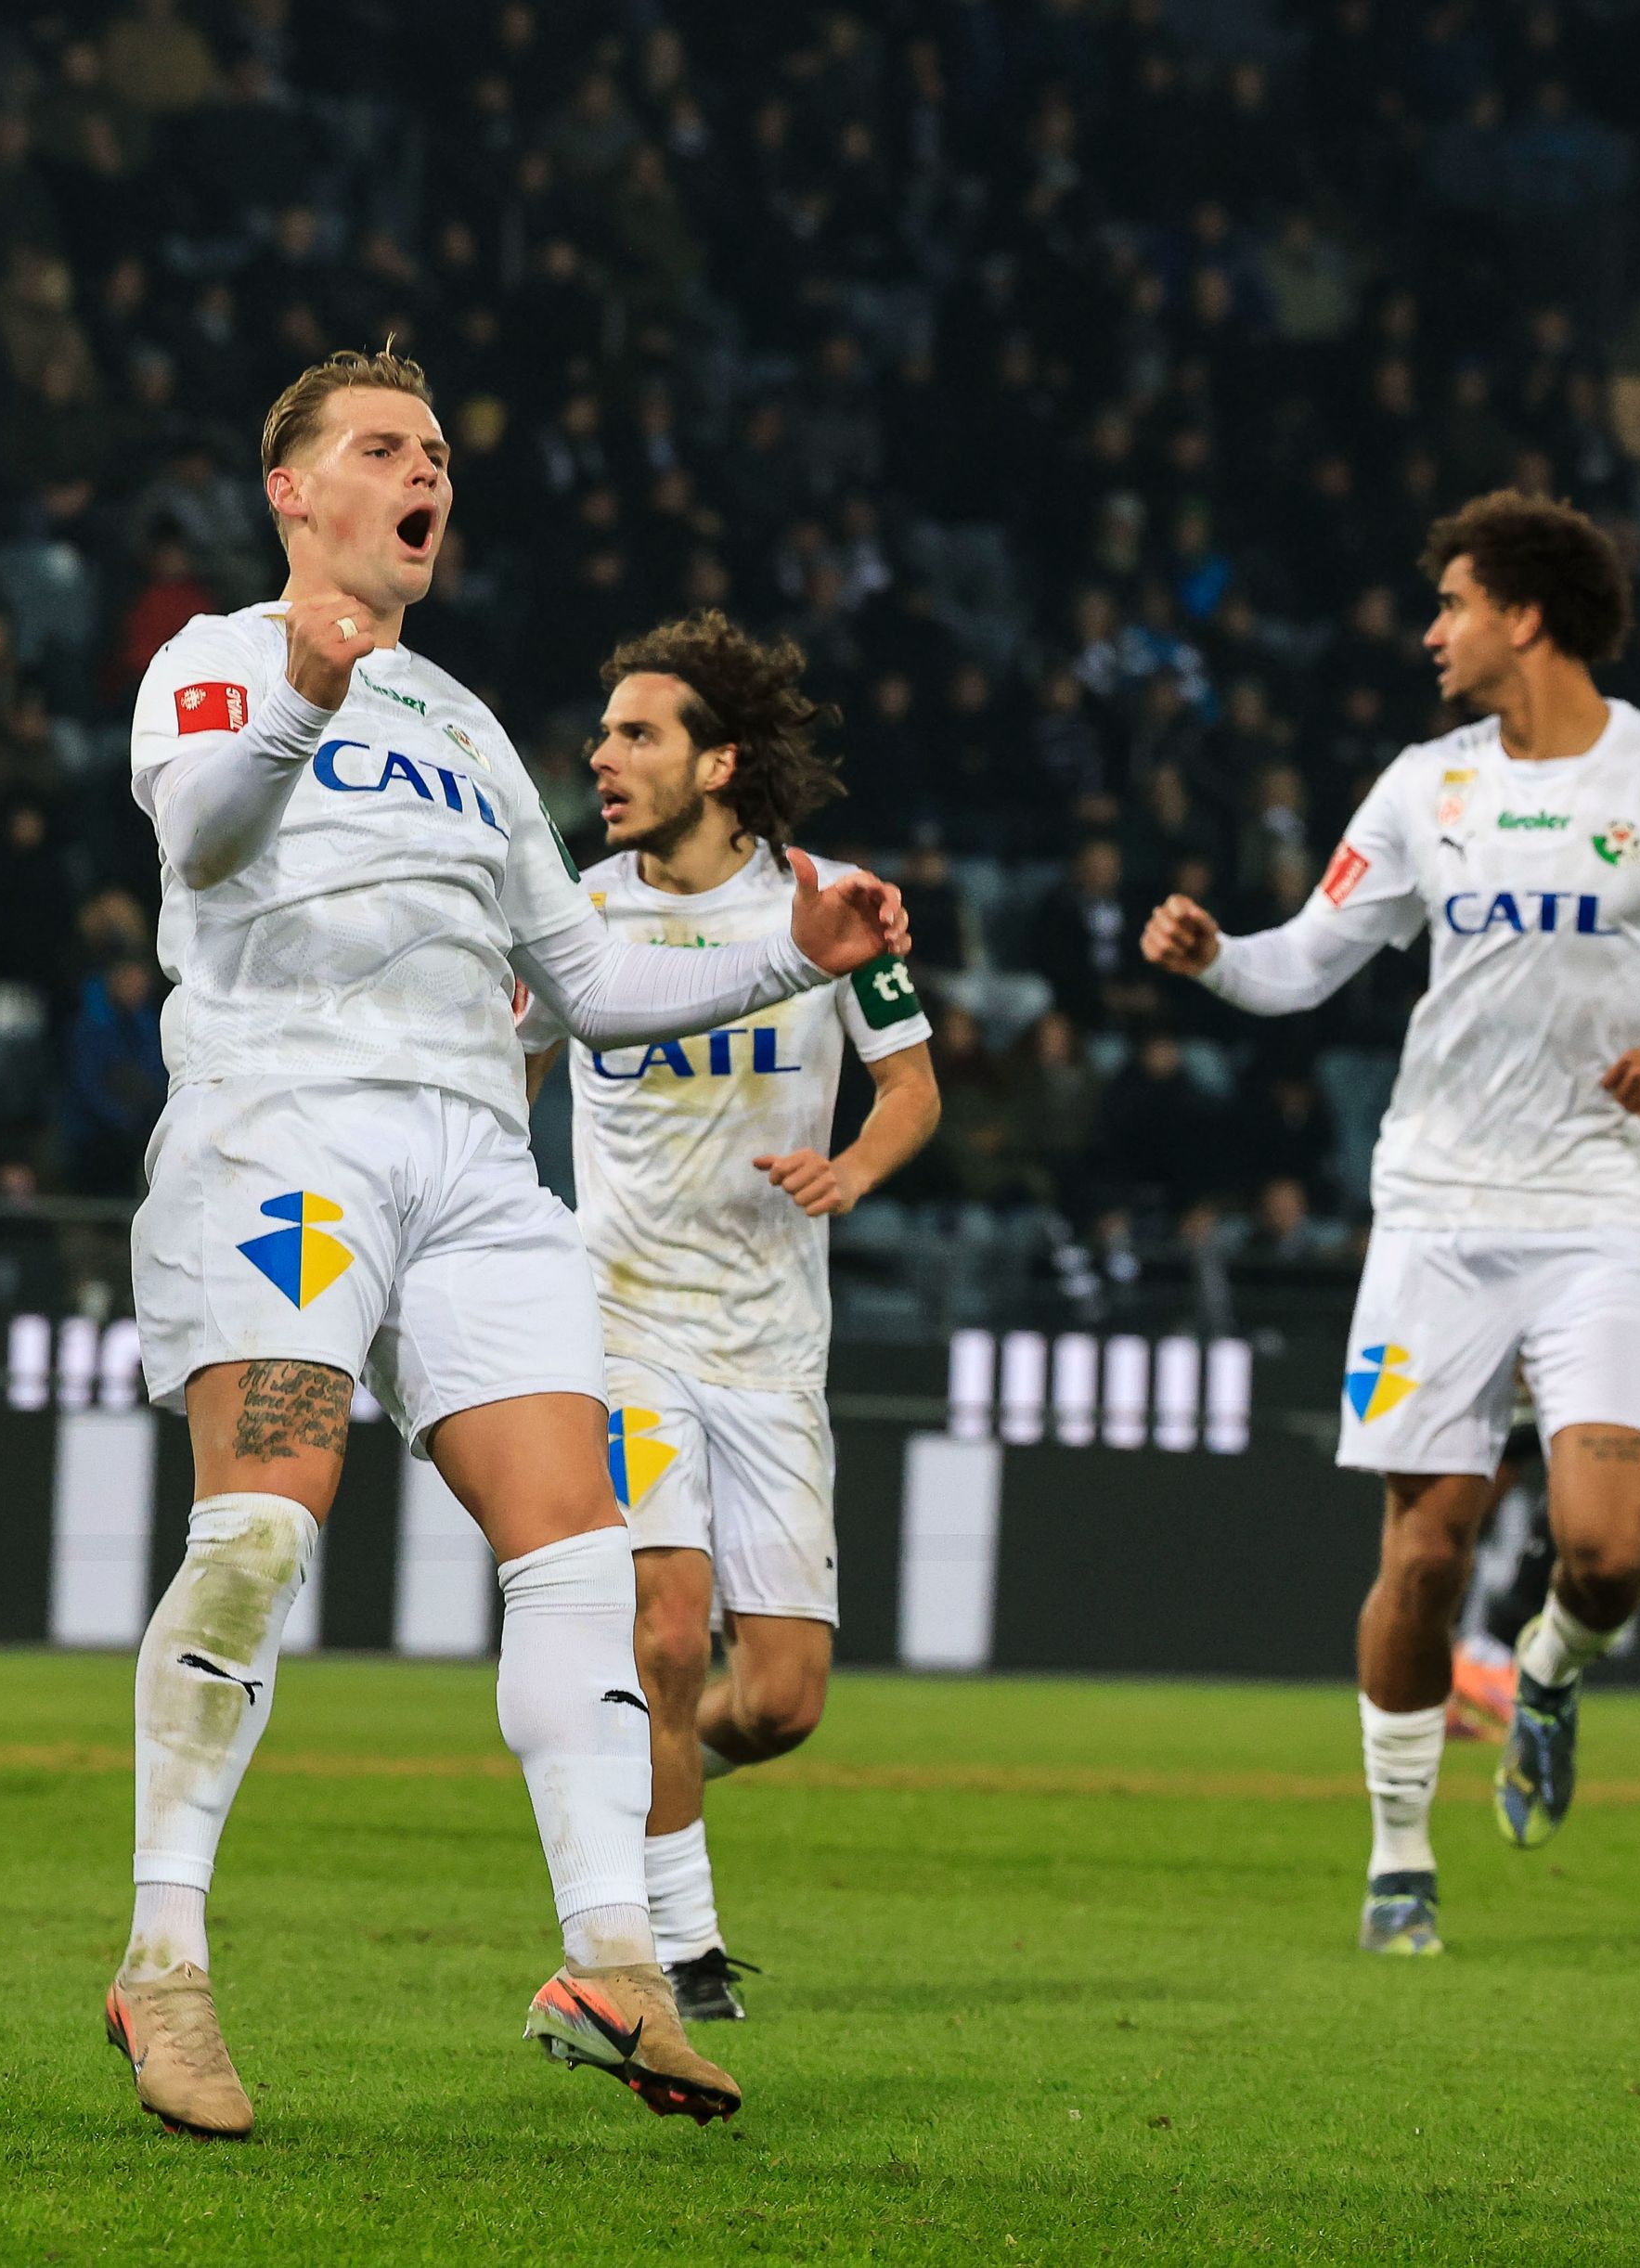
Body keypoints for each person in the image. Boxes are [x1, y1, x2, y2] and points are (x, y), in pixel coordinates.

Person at [106, 345, 908, 2138]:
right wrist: (307, 689)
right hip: (286, 1133)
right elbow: (206, 841)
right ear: (294, 492)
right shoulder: (217, 661)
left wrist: (804, 947)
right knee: (256, 1536)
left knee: (580, 1551)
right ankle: (163, 1959)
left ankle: (614, 1956)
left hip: (481, 1165)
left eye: (443, 452)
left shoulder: (469, 726)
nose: (428, 474)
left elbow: (601, 984)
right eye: (386, 447)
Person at [1140, 492, 1640, 1955]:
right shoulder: (1421, 787)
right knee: (1426, 1551)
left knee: (1610, 1554)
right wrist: (1215, 961)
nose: (1432, 631)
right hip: (1439, 1220)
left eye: (1452, 604)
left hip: (1600, 1220)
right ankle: (1400, 1861)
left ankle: (1553, 1671)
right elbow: (1303, 966)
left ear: (1525, 617)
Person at [518, 612, 941, 2024]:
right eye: (605, 733)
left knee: (779, 1701)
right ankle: (682, 1956)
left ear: (721, 761)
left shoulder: (827, 903)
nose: (604, 757)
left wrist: (855, 1169)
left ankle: (625, 1775)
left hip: (772, 1348)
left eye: (639, 734)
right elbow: (501, 1072)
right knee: (662, 1629)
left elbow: (912, 1088)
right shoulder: (574, 916)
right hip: (621, 1321)